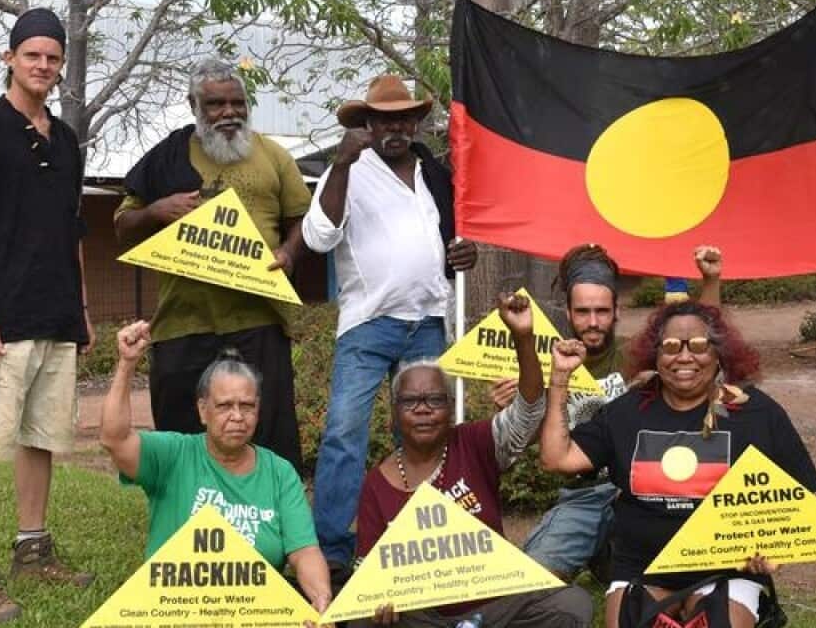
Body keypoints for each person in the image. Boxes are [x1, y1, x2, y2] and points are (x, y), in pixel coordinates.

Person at [0, 7, 95, 623]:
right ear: (9, 58)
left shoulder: (66, 142)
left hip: (56, 318)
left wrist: (81, 311)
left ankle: (33, 551)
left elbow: (74, 232)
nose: (43, 66)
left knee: (41, 440)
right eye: (32, 54)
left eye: (53, 58)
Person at [539, 300, 816, 627]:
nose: (685, 357)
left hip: (727, 570)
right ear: (655, 355)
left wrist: (772, 548)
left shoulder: (757, 412)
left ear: (718, 353)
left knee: (716, 621)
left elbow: (800, 499)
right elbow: (556, 458)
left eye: (699, 346)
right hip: (644, 567)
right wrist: (560, 378)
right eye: (671, 346)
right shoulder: (628, 411)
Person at [301, 74, 478, 574]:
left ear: (416, 121)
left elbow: (445, 247)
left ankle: (417, 542)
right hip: (367, 324)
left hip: (427, 321)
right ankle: (334, 555)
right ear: (367, 124)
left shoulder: (435, 174)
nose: (395, 126)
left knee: (423, 435)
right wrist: (339, 163)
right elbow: (317, 238)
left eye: (404, 117)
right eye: (384, 119)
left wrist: (463, 253)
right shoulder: (351, 170)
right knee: (343, 435)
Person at [114, 58, 311, 473]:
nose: (228, 113)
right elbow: (122, 227)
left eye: (237, 103)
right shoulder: (166, 158)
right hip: (183, 322)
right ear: (194, 106)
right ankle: (186, 518)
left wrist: (290, 253)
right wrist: (156, 212)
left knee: (270, 433)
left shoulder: (273, 156)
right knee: (183, 434)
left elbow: (303, 222)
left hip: (260, 318)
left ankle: (271, 526)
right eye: (215, 104)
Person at [353, 294, 593, 627]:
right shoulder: (376, 485)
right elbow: (365, 571)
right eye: (410, 402)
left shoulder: (475, 442)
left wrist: (523, 337)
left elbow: (528, 412)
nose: (423, 408)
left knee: (571, 603)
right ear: (393, 417)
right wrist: (379, 600)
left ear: (451, 411)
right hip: (426, 617)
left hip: (497, 606)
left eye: (434, 400)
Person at [501, 243, 722, 581]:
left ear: (617, 310)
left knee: (673, 576)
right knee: (530, 580)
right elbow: (532, 446)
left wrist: (710, 283)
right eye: (583, 312)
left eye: (602, 311)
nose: (593, 322)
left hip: (643, 494)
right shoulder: (547, 364)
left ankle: (609, 558)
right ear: (568, 311)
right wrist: (518, 407)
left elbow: (701, 344)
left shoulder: (642, 354)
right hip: (582, 497)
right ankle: (588, 550)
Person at [101, 321, 333, 621]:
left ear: (258, 410)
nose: (237, 416)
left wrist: (320, 598)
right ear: (202, 411)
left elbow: (304, 552)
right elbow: (114, 438)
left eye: (247, 406)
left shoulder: (280, 473)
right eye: (224, 406)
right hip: (176, 613)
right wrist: (126, 365)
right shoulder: (174, 455)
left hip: (253, 612)